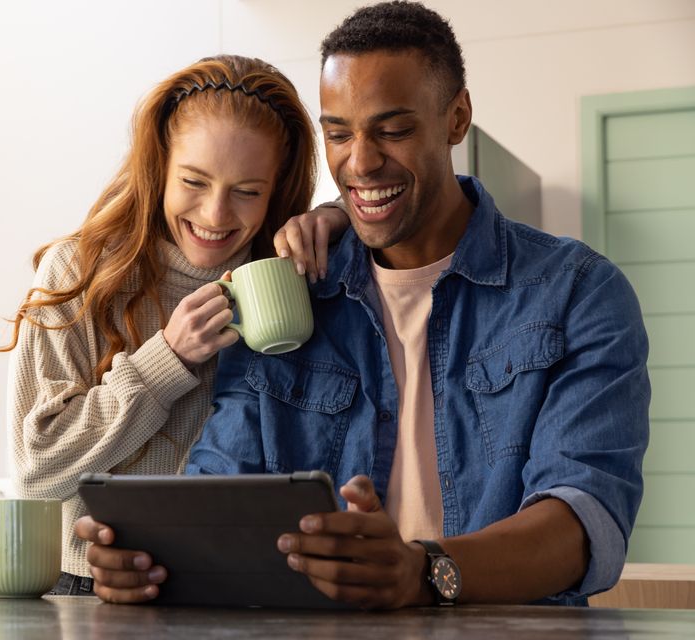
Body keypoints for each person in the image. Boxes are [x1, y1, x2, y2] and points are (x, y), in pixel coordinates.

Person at [78, 1, 650, 608]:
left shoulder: (577, 292)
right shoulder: (288, 299)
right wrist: (152, 557)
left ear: (456, 118)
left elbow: (585, 520)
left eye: (393, 129)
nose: (361, 161)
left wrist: (424, 571)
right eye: (338, 133)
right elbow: (220, 486)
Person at [1, 55, 348, 595]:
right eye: (194, 181)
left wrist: (342, 219)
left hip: (243, 588)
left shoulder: (282, 276)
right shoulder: (79, 271)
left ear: (277, 189)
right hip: (95, 588)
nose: (214, 215)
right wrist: (166, 362)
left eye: (248, 191)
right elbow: (36, 473)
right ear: (158, 165)